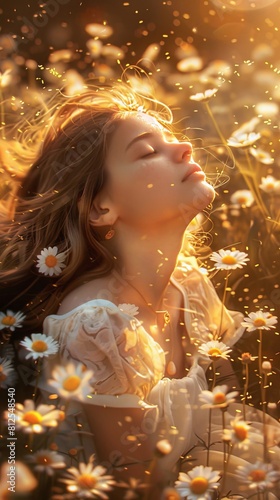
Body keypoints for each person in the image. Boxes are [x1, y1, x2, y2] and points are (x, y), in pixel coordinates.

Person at [1, 82, 278, 499]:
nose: (184, 146)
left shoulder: (191, 285)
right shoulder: (97, 323)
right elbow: (135, 486)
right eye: (148, 151)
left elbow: (229, 410)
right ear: (100, 208)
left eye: (171, 138)